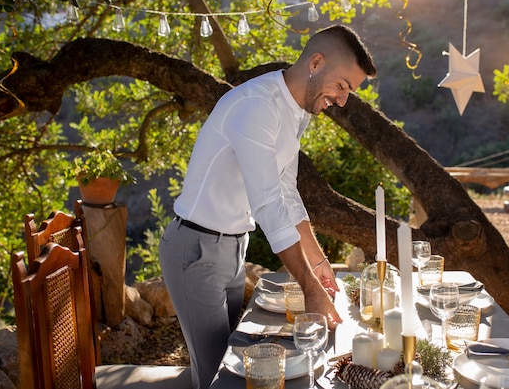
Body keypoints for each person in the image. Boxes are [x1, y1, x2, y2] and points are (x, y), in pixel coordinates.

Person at [159, 24, 377, 389]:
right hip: (195, 250)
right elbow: (267, 204)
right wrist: (309, 286)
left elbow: (286, 192)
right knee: (219, 375)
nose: (342, 100)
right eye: (342, 86)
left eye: (349, 92)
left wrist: (319, 264)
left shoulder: (296, 111)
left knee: (234, 364)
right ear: (316, 62)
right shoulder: (257, 105)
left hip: (232, 247)